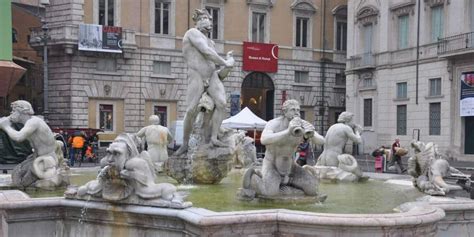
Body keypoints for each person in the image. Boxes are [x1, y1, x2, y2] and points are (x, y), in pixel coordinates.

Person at [174, 8, 234, 155]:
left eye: (209, 21)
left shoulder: (211, 42)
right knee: (190, 110)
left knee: (222, 104)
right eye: (204, 20)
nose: (208, 24)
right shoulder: (192, 33)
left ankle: (213, 138)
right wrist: (225, 62)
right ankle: (185, 143)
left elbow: (221, 74)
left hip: (212, 75)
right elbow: (205, 51)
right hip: (197, 74)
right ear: (198, 22)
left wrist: (229, 65)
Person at [241, 99, 325, 198]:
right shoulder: (274, 124)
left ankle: (288, 183)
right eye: (293, 110)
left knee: (313, 190)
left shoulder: (302, 124)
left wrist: (312, 134)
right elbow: (264, 139)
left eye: (298, 110)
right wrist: (288, 132)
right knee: (270, 193)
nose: (297, 113)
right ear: (284, 112)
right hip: (272, 166)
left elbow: (321, 141)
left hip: (291, 168)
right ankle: (254, 176)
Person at [0, 100, 64, 188]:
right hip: (36, 158)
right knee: (16, 174)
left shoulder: (33, 122)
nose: (11, 113)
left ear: (22, 112)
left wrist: (6, 126)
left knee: (23, 182)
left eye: (14, 111)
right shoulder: (29, 123)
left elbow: (18, 137)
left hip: (46, 160)